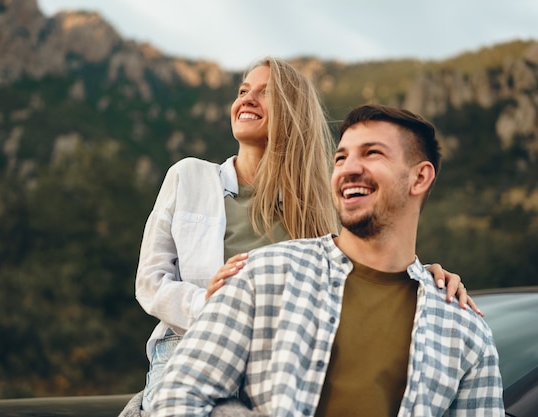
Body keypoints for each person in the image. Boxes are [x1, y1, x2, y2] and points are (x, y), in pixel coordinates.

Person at [126, 58, 477, 415]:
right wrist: (210, 304)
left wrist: (424, 275)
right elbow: (151, 282)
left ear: (293, 110)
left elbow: (368, 256)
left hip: (274, 360)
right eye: (243, 91)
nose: (247, 99)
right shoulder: (189, 176)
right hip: (187, 343)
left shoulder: (319, 201)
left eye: (266, 93)